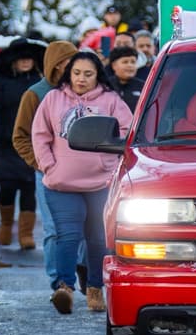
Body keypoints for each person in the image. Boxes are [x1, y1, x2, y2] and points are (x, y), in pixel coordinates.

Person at [32, 51, 134, 314]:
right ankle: (64, 288)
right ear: (69, 73)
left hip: (100, 182)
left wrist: (109, 164)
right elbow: (40, 135)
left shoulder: (111, 100)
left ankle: (95, 288)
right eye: (76, 73)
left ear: (98, 75)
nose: (81, 79)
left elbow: (126, 131)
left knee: (98, 238)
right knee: (68, 235)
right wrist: (49, 166)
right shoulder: (53, 98)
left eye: (88, 74)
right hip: (60, 183)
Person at [12, 40, 79, 289]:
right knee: (54, 228)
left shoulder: (84, 90)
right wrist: (41, 164)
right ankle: (58, 281)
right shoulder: (35, 94)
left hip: (83, 173)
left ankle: (78, 274)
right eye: (68, 62)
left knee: (84, 230)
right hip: (49, 173)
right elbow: (20, 136)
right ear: (56, 65)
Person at [0, 38, 44, 249]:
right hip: (6, 144)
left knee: (29, 188)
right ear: (12, 61)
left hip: (32, 143)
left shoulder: (38, 80)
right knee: (7, 187)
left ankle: (26, 235)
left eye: (29, 58)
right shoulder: (0, 80)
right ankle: (6, 226)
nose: (26, 62)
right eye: (21, 59)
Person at [106, 45, 146, 112]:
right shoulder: (105, 86)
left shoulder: (144, 87)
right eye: (125, 62)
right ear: (114, 65)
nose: (130, 65)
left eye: (133, 62)